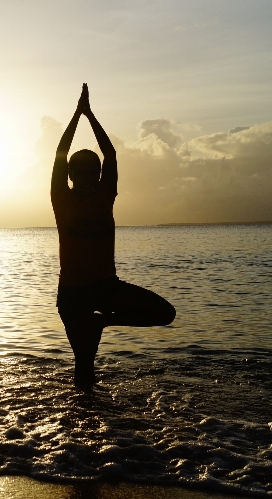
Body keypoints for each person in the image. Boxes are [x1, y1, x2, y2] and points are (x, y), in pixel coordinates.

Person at [52, 83, 175, 387]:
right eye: (80, 173)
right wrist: (76, 115)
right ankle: (82, 424)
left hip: (106, 288)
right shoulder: (62, 199)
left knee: (164, 313)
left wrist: (90, 115)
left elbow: (110, 153)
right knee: (84, 366)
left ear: (98, 174)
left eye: (93, 172)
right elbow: (60, 152)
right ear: (70, 176)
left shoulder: (106, 194)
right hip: (72, 294)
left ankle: (103, 321)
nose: (88, 178)